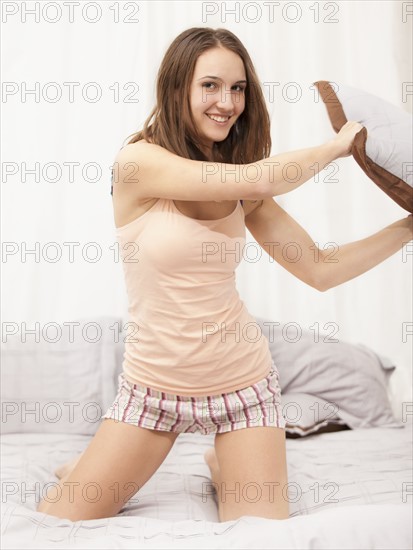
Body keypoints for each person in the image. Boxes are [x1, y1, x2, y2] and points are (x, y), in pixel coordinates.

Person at [37, 27, 412, 523]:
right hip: (153, 389)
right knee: (58, 520)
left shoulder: (240, 178)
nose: (227, 102)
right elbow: (250, 177)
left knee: (260, 533)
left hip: (243, 385)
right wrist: (336, 147)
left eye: (238, 89)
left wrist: (408, 226)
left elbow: (321, 268)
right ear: (177, 89)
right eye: (210, 85)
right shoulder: (139, 163)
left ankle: (222, 464)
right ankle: (91, 468)